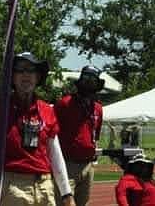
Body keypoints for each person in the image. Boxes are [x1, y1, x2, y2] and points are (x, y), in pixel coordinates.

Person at [0, 51, 76, 206]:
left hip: (44, 187)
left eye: (31, 70)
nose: (26, 75)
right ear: (12, 77)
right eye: (20, 70)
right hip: (12, 188)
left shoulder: (47, 111)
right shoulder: (0, 112)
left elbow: (55, 154)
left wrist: (66, 193)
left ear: (37, 77)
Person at [54, 67, 105, 206]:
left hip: (88, 165)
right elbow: (51, 135)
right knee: (64, 202)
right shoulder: (64, 104)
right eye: (86, 78)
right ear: (80, 81)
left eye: (92, 80)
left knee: (83, 203)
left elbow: (96, 135)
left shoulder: (98, 109)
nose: (88, 83)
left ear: (97, 84)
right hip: (67, 164)